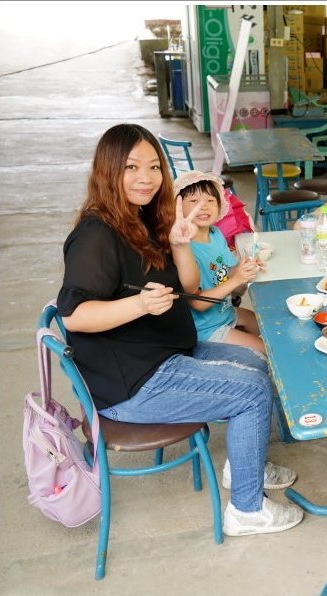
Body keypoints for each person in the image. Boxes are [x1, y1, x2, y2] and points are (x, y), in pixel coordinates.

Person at [57, 124, 303, 537]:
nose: (146, 177)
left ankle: (245, 465)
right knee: (252, 391)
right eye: (132, 167)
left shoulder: (138, 219)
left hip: (164, 353)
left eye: (154, 167)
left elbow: (188, 290)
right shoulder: (96, 234)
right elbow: (74, 316)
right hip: (133, 382)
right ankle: (246, 511)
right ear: (107, 170)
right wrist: (137, 304)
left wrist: (178, 244)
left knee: (263, 366)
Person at [173, 170, 266, 353]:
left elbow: (225, 272)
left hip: (225, 312)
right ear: (178, 207)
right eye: (194, 201)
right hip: (206, 328)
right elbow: (198, 303)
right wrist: (236, 280)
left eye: (210, 200)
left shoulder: (215, 234)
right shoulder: (184, 248)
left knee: (266, 326)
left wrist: (242, 268)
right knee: (267, 350)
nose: (203, 206)